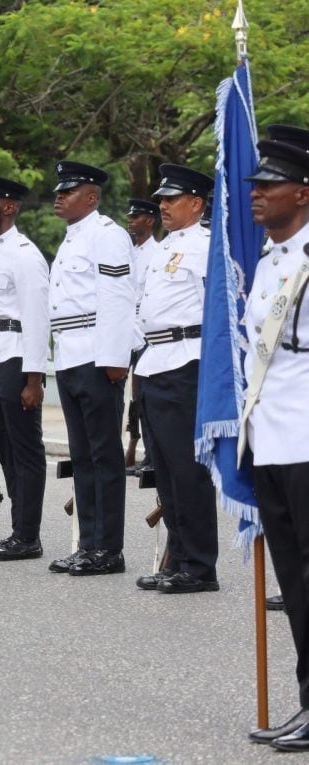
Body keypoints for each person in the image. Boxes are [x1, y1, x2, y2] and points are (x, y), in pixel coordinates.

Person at [240, 130, 309, 751]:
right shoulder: (268, 261)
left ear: (304, 192)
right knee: (294, 582)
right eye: (255, 185)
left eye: (269, 185)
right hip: (271, 442)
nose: (256, 194)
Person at [131, 164, 219, 594]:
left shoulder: (205, 246)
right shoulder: (165, 248)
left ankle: (201, 566)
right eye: (161, 199)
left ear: (197, 204)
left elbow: (217, 309)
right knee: (164, 470)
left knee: (188, 470)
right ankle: (178, 557)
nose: (162, 205)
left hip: (187, 360)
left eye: (172, 198)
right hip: (155, 360)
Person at [47, 161, 135, 576]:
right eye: (59, 190)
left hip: (97, 356)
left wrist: (116, 359)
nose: (59, 196)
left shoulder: (108, 235)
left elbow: (118, 298)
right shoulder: (71, 240)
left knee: (104, 455)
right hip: (69, 354)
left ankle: (108, 549)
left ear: (92, 197)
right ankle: (88, 544)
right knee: (82, 456)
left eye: (69, 190)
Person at [0, 174, 51, 560]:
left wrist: (35, 378)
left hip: (18, 358)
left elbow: (36, 319)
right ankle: (18, 531)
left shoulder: (24, 254)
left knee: (25, 451)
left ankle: (27, 535)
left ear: (10, 207)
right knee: (5, 450)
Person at [125, 198, 162, 477]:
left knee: (146, 398)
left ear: (149, 220)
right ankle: (130, 450)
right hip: (126, 330)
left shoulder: (158, 254)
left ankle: (152, 455)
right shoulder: (128, 252)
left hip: (146, 332)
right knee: (131, 398)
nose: (130, 219)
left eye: (136, 216)